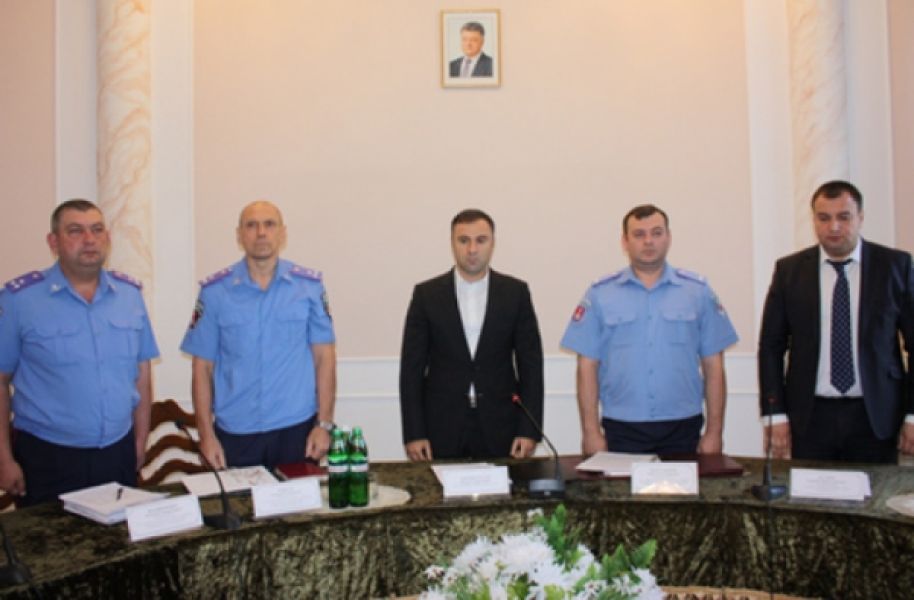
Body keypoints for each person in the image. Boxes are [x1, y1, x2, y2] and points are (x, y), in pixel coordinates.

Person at [0, 199, 158, 506]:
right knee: (49, 538)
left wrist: (140, 440)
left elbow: (142, 373)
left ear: (107, 238)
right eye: (75, 231)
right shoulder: (19, 301)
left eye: (97, 230)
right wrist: (3, 458)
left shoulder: (129, 296)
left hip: (117, 451)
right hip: (48, 457)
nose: (89, 239)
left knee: (119, 536)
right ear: (53, 242)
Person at [561, 204, 738, 456]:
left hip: (683, 425)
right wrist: (590, 433)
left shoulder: (697, 292)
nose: (648, 241)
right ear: (625, 241)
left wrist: (714, 432)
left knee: (685, 485)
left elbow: (714, 365)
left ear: (669, 237)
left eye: (656, 233)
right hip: (622, 426)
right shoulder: (600, 294)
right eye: (639, 234)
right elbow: (587, 367)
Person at [758, 180, 914, 463]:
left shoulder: (895, 266)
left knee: (874, 491)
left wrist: (913, 415)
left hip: (876, 417)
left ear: (860, 217)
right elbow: (771, 346)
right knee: (810, 492)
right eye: (824, 218)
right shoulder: (789, 271)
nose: (834, 227)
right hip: (810, 418)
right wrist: (775, 414)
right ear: (814, 220)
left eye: (844, 217)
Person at [180, 200, 336, 470]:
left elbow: (325, 358)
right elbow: (202, 369)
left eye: (269, 224)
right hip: (236, 433)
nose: (261, 232)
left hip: (296, 430)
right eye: (251, 225)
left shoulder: (308, 287)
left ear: (282, 233)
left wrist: (324, 424)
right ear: (239, 235)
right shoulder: (215, 292)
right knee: (239, 500)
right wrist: (206, 435)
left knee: (299, 499)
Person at [399, 209, 544, 460]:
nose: (472, 249)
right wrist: (414, 433)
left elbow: (531, 365)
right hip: (441, 427)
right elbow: (411, 370)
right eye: (464, 240)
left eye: (481, 240)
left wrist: (529, 430)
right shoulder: (426, 295)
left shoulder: (515, 293)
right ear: (452, 243)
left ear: (493, 243)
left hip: (502, 426)